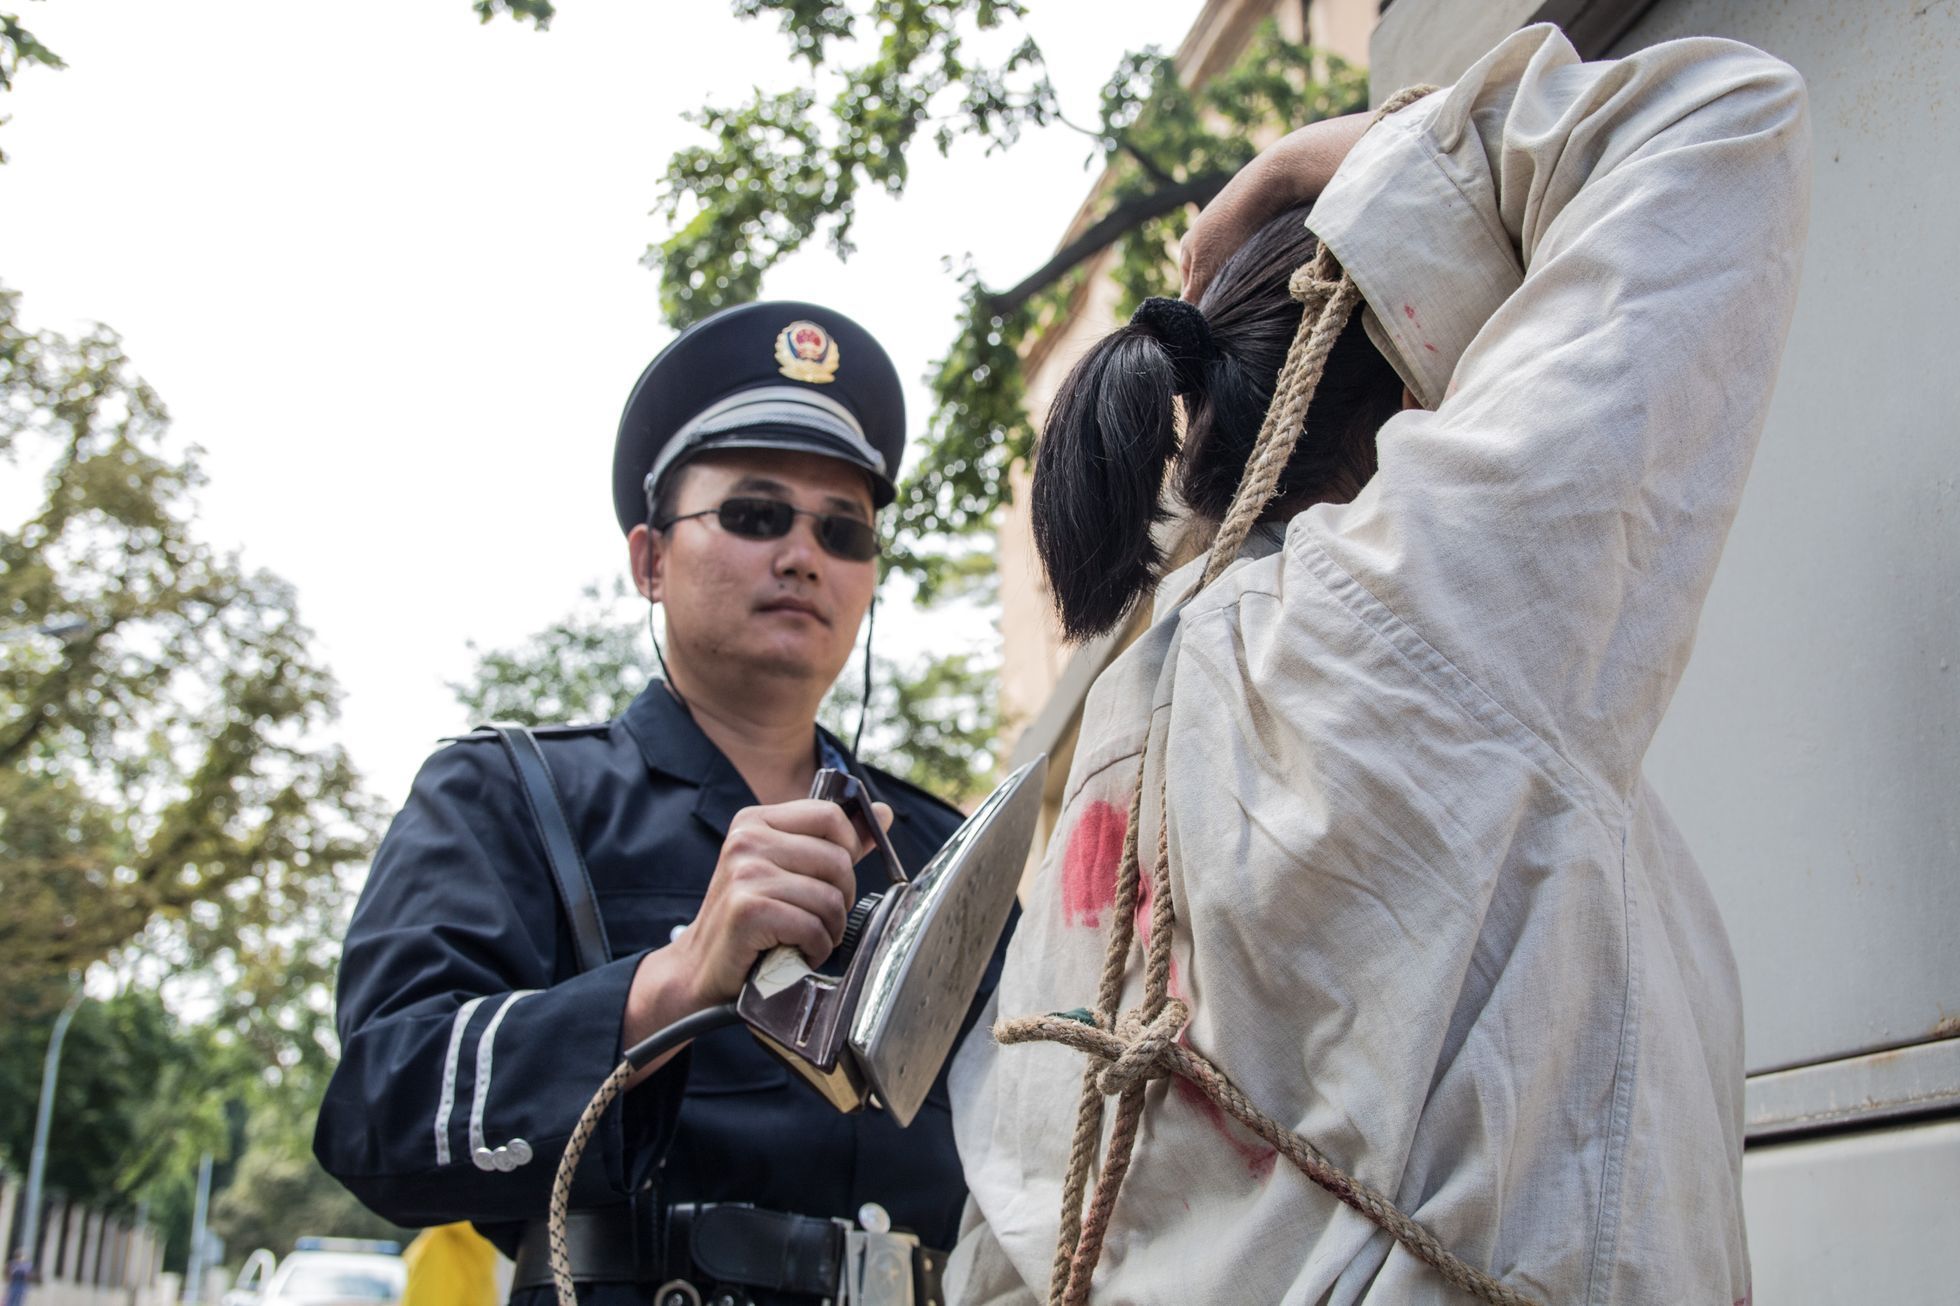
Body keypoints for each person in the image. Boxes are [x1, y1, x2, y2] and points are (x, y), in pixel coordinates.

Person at [948, 24, 1807, 1305]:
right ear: (1422, 396)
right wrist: (1360, 160)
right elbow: (1725, 118)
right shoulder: (1420, 596)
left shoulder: (1128, 712)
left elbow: (1012, 1233)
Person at [315, 301, 1010, 1306]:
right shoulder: (509, 795)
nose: (803, 554)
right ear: (649, 559)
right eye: (755, 514)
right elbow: (379, 1110)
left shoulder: (943, 851)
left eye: (844, 528)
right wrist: (671, 983)